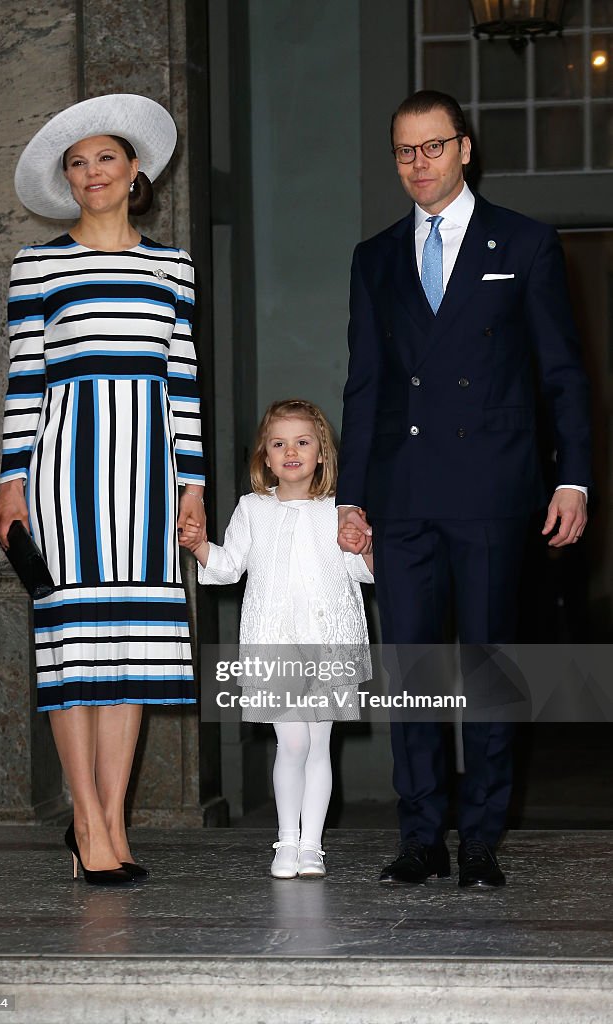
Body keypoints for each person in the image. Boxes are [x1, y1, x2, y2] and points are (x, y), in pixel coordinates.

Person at [336, 90, 591, 887]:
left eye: (432, 147)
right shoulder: (373, 255)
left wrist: (573, 477)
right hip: (402, 492)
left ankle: (480, 836)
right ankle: (420, 835)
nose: (418, 165)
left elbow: (562, 374)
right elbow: (364, 384)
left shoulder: (525, 241)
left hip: (492, 487)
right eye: (404, 152)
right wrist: (350, 494)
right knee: (411, 670)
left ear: (464, 148)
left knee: (484, 667)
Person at [0, 94, 206, 886]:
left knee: (132, 656)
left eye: (104, 158)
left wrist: (193, 485)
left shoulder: (171, 267)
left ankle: (115, 819)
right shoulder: (37, 265)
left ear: (135, 170)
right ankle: (85, 823)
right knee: (75, 657)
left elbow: (182, 383)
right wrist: (10, 483)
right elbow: (23, 383)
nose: (91, 174)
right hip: (62, 482)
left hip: (148, 480)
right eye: (77, 164)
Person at [180, 399, 373, 879]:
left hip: (329, 641)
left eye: (303, 442)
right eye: (279, 443)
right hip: (274, 642)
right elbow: (227, 568)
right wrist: (200, 545)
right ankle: (286, 840)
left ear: (322, 453)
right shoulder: (253, 509)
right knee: (292, 744)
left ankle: (313, 847)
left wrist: (366, 544)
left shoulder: (340, 511)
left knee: (319, 745)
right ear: (264, 457)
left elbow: (363, 573)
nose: (291, 451)